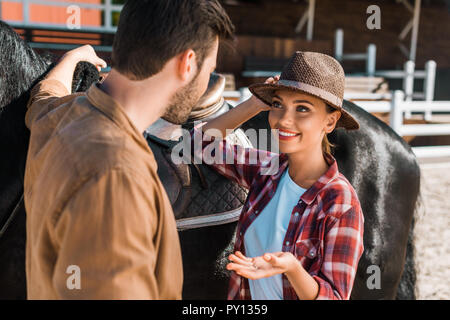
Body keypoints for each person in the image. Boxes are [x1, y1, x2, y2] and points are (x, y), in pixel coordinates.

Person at [24, 0, 234, 299]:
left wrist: (71, 59)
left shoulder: (61, 116)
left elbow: (44, 97)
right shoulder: (119, 176)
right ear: (187, 64)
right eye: (208, 70)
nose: (205, 82)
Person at [191, 51, 364, 300]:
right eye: (278, 105)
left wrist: (292, 267)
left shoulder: (340, 202)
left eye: (302, 109)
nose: (284, 120)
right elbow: (200, 144)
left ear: (330, 122)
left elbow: (335, 296)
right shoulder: (267, 170)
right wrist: (254, 104)